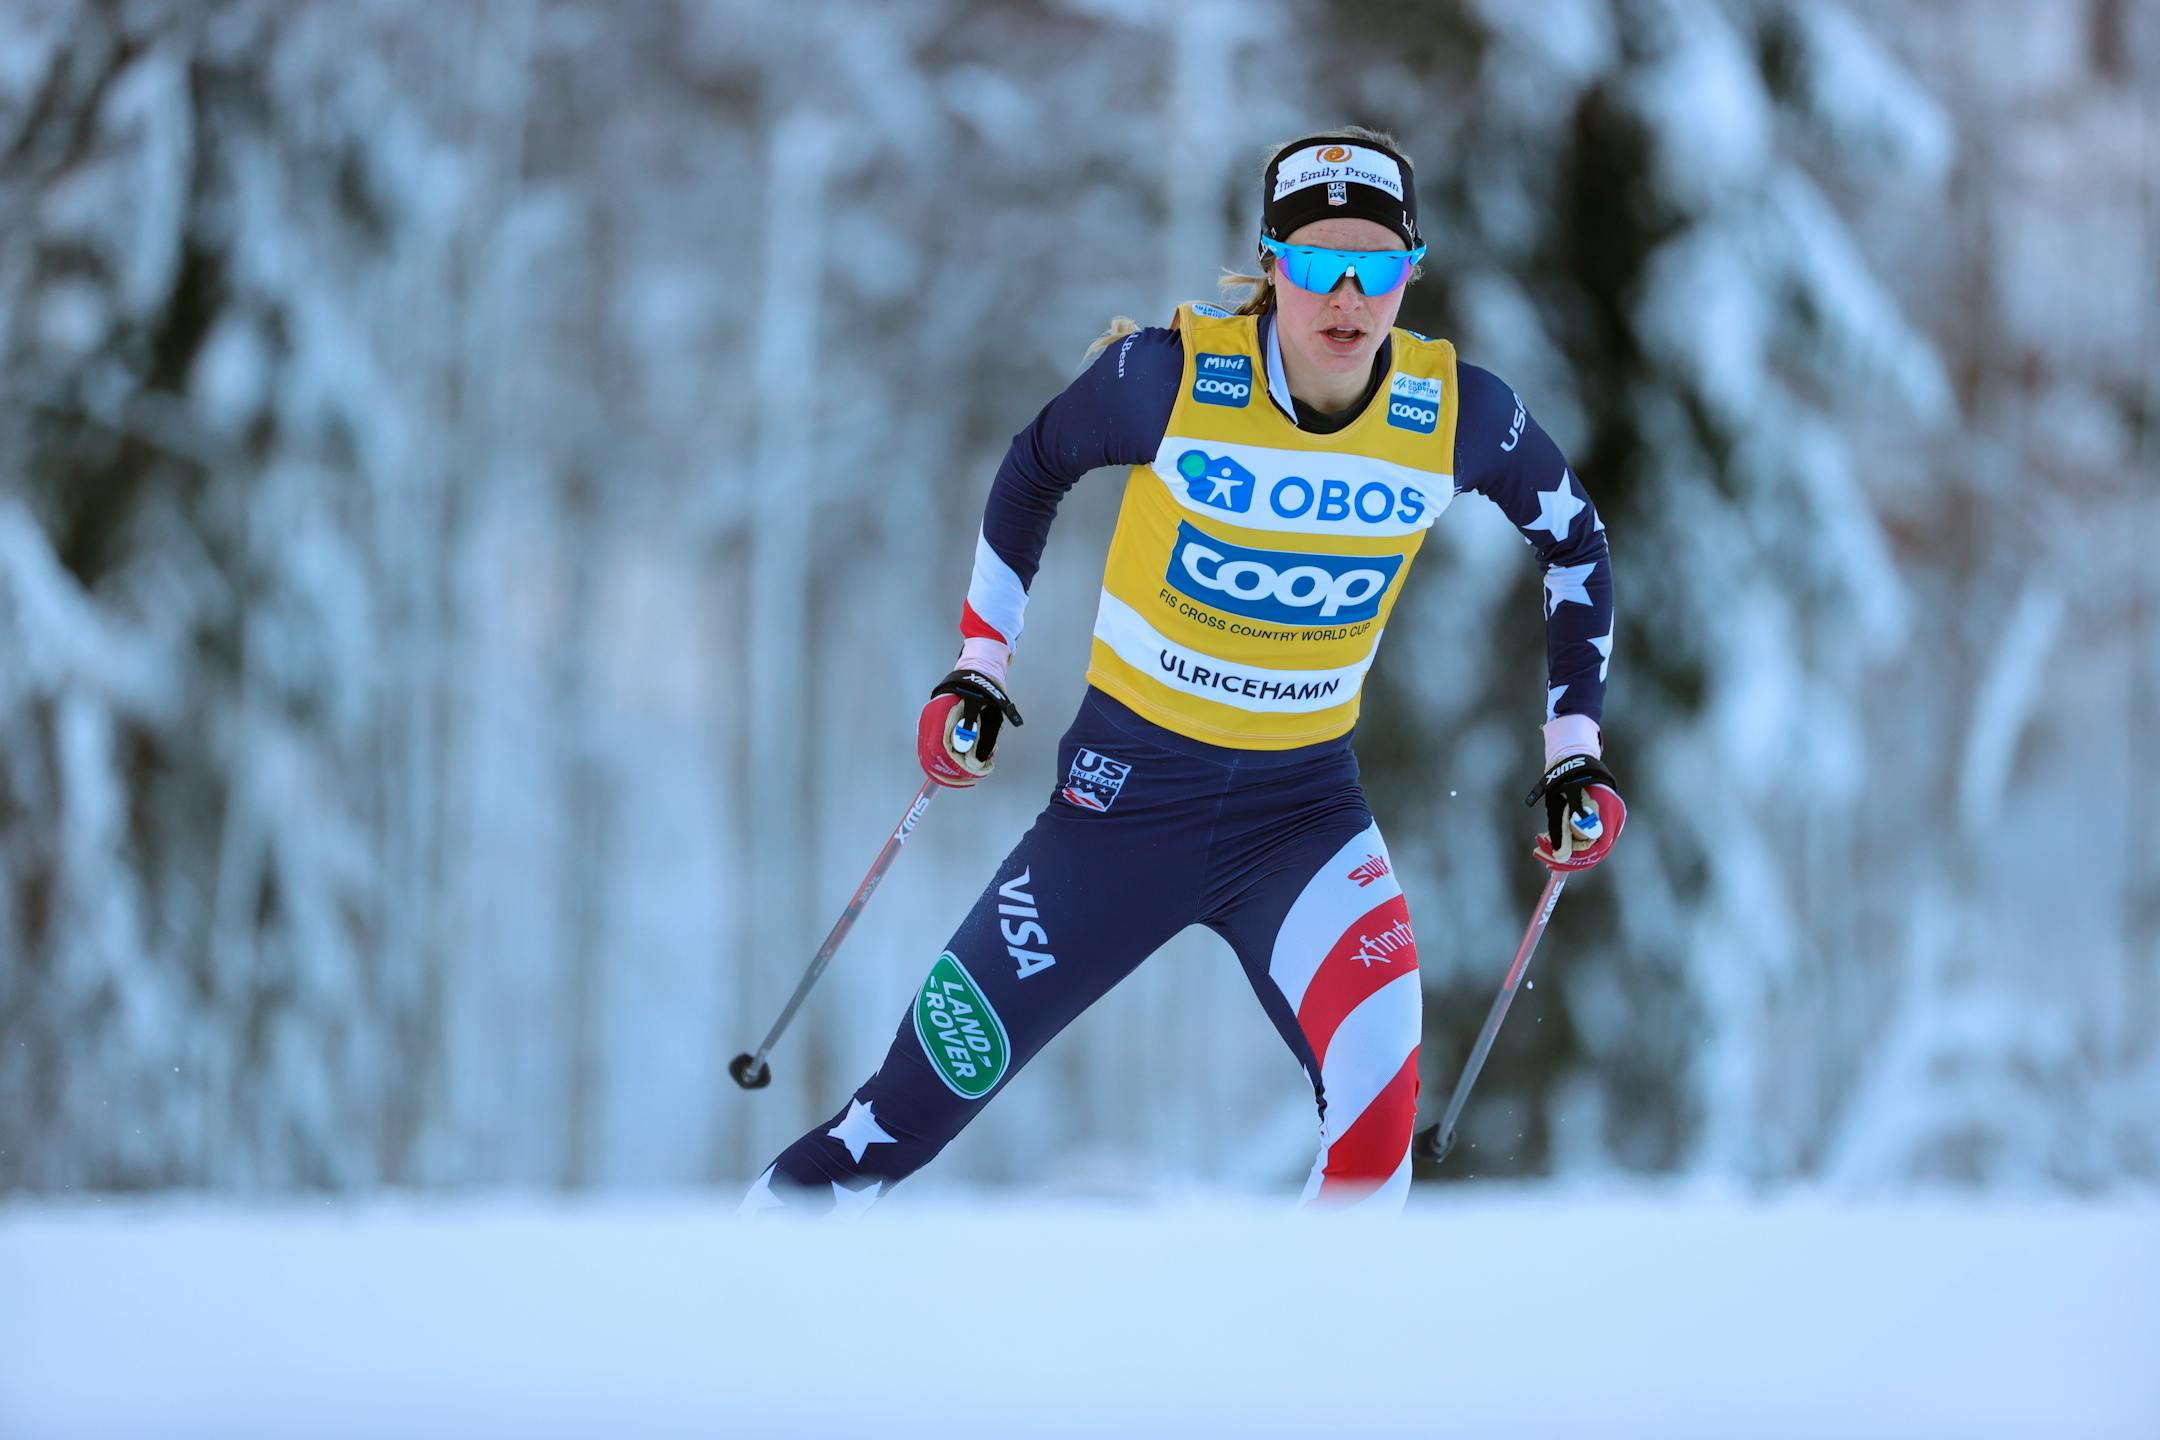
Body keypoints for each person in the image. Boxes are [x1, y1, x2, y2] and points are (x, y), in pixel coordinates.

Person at [742, 128, 1621, 1215]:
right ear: (1269, 266)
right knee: (887, 1132)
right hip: (1117, 812)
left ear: (1411, 272)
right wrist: (979, 663)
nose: (1346, 296)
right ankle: (724, 1319)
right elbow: (1032, 468)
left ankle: (1298, 1379)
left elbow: (1576, 544)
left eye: (1377, 266)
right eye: (1314, 264)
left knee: (1378, 1129)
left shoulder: (1456, 415)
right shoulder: (1167, 380)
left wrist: (1573, 748)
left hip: (1303, 820)